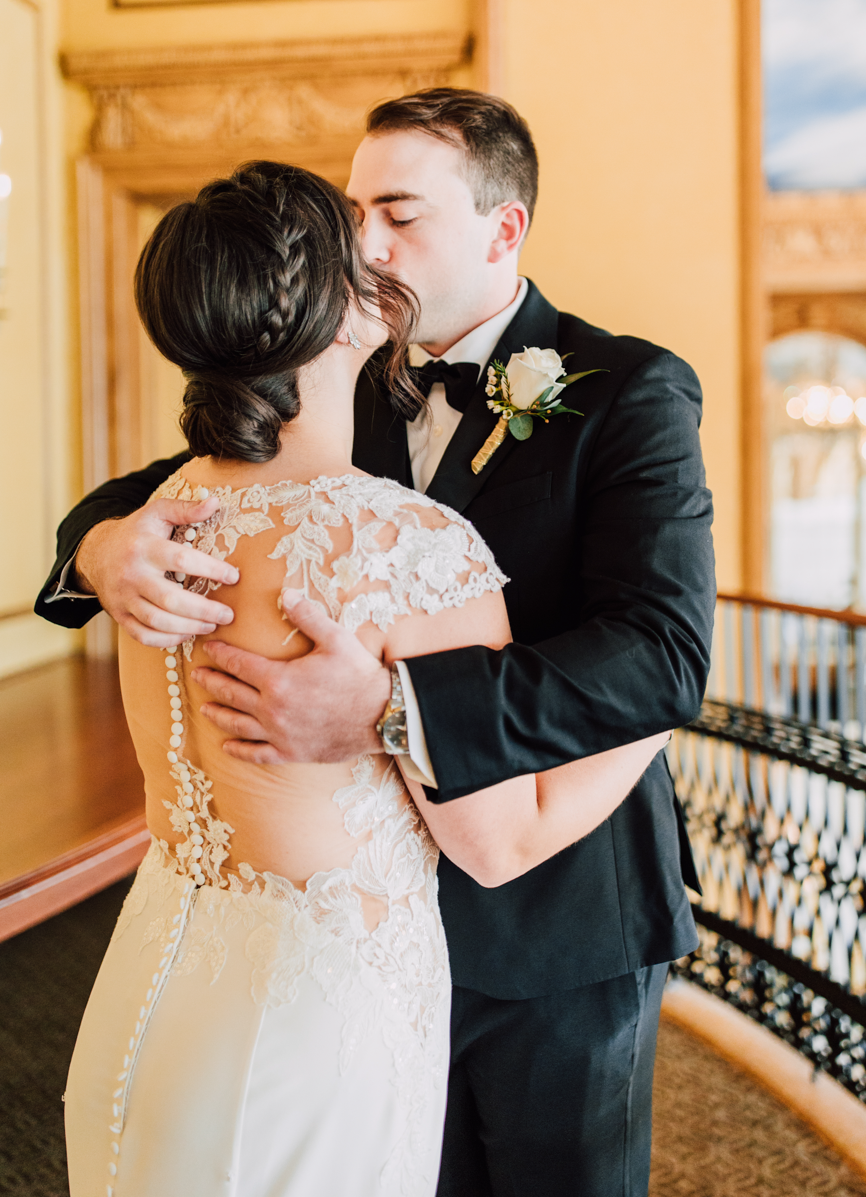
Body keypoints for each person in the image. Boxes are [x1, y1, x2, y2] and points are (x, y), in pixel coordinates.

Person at [39, 91, 716, 1197]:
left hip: (554, 915)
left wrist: (399, 711)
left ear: (504, 230)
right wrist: (103, 550)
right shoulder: (332, 374)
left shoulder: (630, 388)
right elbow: (157, 499)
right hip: (353, 918)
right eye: (353, 212)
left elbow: (662, 653)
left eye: (399, 211)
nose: (367, 243)